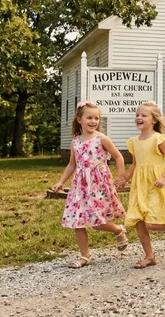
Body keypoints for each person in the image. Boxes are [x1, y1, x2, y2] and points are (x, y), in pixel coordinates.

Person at [52, 101, 128, 268]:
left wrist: (121, 176)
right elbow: (72, 165)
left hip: (98, 185)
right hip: (80, 186)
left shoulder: (102, 138)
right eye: (89, 118)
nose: (94, 121)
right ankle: (85, 256)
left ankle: (118, 230)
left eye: (97, 118)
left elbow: (119, 157)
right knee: (77, 220)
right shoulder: (75, 142)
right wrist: (60, 182)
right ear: (80, 119)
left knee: (97, 221)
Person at [120, 101, 165, 268]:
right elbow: (135, 165)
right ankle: (149, 256)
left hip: (156, 184)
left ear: (154, 120)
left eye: (144, 115)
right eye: (137, 115)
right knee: (139, 221)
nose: (139, 118)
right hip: (139, 186)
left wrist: (164, 177)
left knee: (150, 222)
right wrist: (124, 179)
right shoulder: (134, 142)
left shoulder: (158, 139)